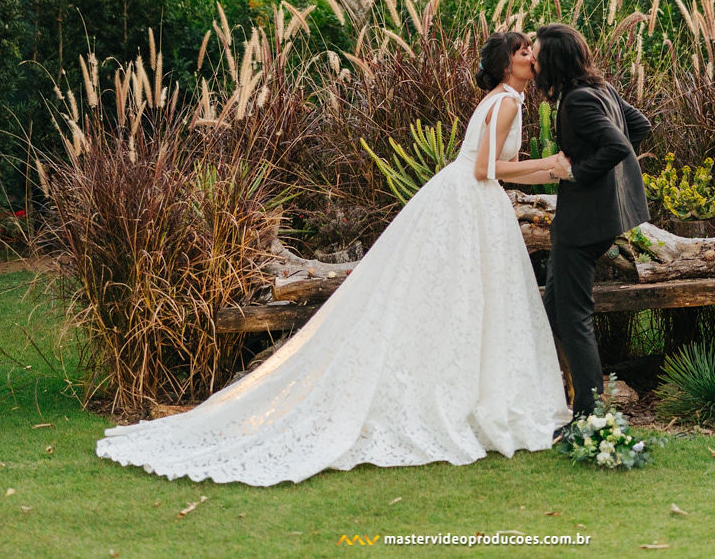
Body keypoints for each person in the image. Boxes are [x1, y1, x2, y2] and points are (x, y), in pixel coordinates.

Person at [96, 31, 570, 486]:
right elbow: (489, 169)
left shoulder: (506, 100)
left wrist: (543, 168)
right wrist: (549, 166)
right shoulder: (506, 100)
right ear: (507, 64)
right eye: (523, 49)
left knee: (456, 300)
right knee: (466, 300)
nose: (531, 53)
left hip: (465, 200)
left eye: (530, 48)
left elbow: (487, 169)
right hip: (470, 203)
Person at [533, 22, 651, 420]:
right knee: (550, 310)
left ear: (553, 59)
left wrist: (579, 173)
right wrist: (609, 178)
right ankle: (540, 389)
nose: (532, 58)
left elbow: (617, 145)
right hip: (607, 218)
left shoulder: (578, 100)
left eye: (537, 52)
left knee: (574, 316)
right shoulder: (601, 89)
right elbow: (639, 127)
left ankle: (588, 414)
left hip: (582, 224)